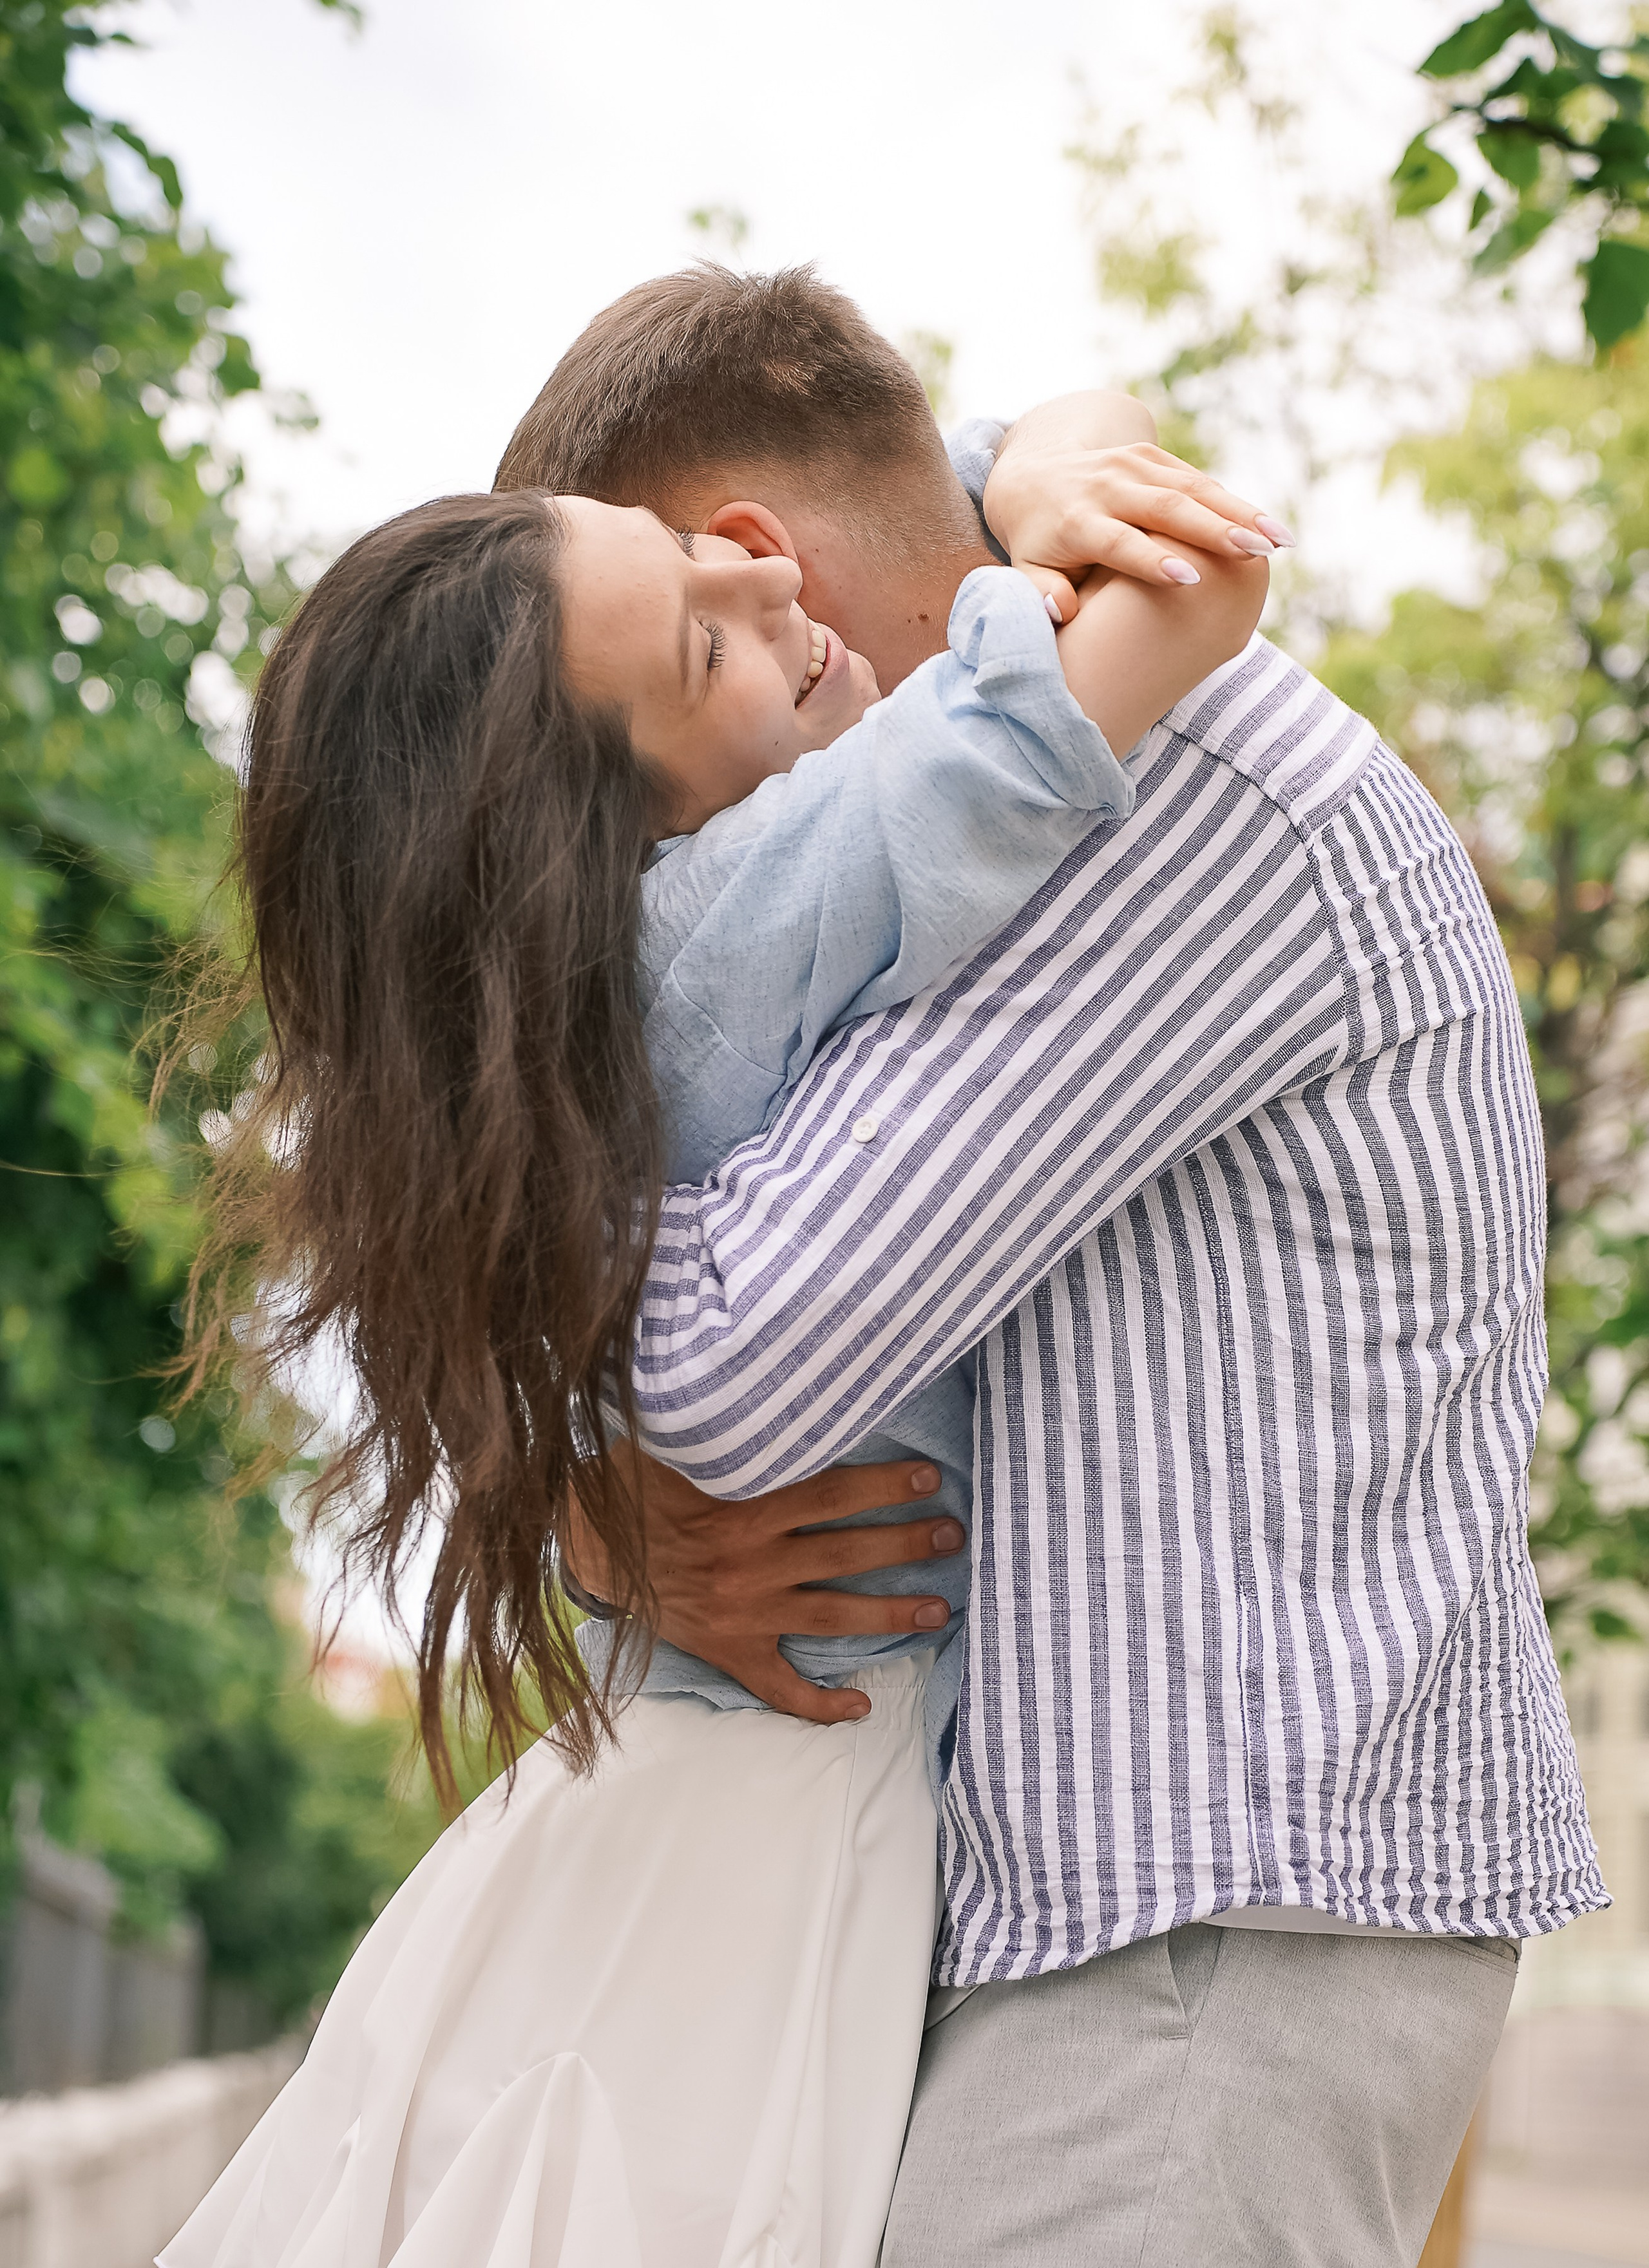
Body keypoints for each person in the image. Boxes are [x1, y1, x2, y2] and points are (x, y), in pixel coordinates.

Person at [494, 264, 1606, 2267]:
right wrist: (590, 1514)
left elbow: (745, 1363)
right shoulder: (1013, 795)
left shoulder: (1147, 809)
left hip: (1208, 1921)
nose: (687, 853)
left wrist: (586, 1463)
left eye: (646, 790)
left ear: (759, 567)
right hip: (1138, 1908)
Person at [159, 377, 1268, 2264]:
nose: (760, 583)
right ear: (614, 828)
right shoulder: (758, 893)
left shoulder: (585, 1025)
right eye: (698, 640)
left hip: (671, 1791)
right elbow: (1199, 596)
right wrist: (1036, 491)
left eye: (688, 542)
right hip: (781, 1824)